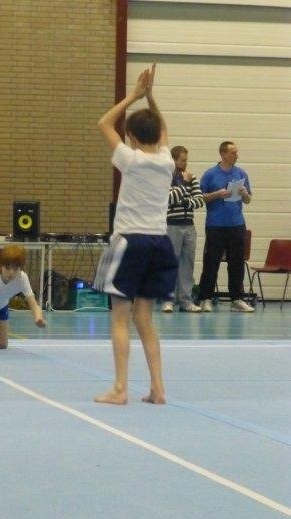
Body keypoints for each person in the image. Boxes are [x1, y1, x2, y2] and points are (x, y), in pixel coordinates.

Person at [93, 63, 177, 405]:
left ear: (132, 137)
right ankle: (158, 388)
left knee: (120, 317)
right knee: (145, 319)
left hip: (130, 241)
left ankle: (120, 388)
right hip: (160, 243)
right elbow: (164, 130)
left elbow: (103, 122)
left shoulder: (130, 159)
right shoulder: (168, 161)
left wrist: (133, 96)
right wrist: (150, 98)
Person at [198, 141, 254, 313]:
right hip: (215, 225)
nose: (236, 155)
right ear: (223, 154)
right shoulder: (210, 174)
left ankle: (237, 299)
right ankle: (205, 298)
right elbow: (200, 198)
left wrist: (244, 193)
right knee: (211, 262)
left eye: (236, 152)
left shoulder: (241, 173)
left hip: (236, 224)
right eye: (233, 152)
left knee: (236, 263)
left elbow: (248, 200)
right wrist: (217, 194)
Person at [162, 146, 204, 313]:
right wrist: (184, 186)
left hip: (189, 226)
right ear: (173, 160)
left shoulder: (192, 178)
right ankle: (168, 300)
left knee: (187, 265)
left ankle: (186, 300)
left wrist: (185, 200)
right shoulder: (165, 178)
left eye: (186, 160)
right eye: (182, 160)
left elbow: (199, 201)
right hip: (171, 225)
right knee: (170, 263)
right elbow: (169, 199)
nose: (186, 163)